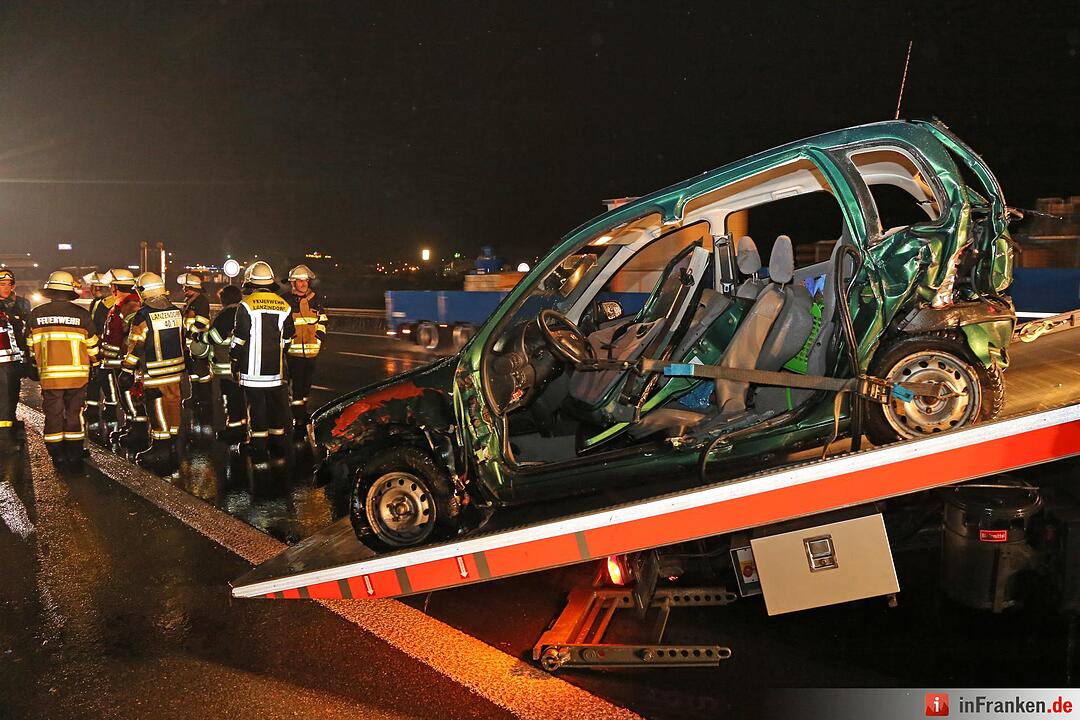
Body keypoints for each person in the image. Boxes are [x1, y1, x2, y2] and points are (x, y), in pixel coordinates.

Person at [26, 271, 99, 464]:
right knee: (74, 413)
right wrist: (97, 364)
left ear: (50, 291)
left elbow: (30, 345)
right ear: (69, 293)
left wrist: (34, 366)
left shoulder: (37, 314)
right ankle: (74, 453)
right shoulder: (81, 315)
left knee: (53, 414)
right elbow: (92, 345)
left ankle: (57, 454)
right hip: (77, 376)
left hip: (51, 376)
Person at [118, 272, 185, 463]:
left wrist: (126, 370)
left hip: (154, 372)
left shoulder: (142, 316)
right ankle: (172, 441)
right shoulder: (176, 311)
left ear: (143, 292)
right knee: (173, 403)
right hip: (175, 369)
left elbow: (136, 346)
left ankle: (160, 448)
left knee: (157, 408)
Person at [231, 261, 294, 463]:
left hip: (253, 371)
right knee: (276, 406)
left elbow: (239, 337)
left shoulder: (246, 305)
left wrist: (233, 356)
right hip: (276, 371)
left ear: (251, 283)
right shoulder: (284, 305)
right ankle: (278, 445)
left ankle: (258, 447)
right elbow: (288, 338)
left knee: (256, 407)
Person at [101, 269, 146, 448]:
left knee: (131, 394)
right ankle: (130, 423)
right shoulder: (120, 304)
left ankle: (139, 428)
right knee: (124, 394)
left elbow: (134, 336)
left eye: (111, 285)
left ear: (116, 286)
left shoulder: (132, 305)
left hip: (127, 361)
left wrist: (127, 360)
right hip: (118, 359)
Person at [284, 264, 328, 434]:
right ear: (293, 283)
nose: (303, 284)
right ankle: (298, 417)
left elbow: (323, 320)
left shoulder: (315, 300)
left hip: (312, 351)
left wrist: (319, 338)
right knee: (296, 385)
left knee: (306, 384)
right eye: (299, 281)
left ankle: (303, 411)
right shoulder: (286, 300)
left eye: (305, 281)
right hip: (293, 352)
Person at [205, 284, 246, 442]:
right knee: (241, 397)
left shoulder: (226, 315)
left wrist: (200, 338)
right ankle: (242, 426)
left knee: (231, 397)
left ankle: (234, 429)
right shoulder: (243, 311)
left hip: (226, 364)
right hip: (242, 364)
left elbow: (215, 337)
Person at [0, 269, 29, 451]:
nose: (5, 288)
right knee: (3, 398)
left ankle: (11, 420)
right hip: (1, 362)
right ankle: (4, 439)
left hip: (14, 360)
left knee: (13, 393)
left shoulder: (19, 305)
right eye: (1, 284)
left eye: (8, 285)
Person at [178, 272, 212, 421]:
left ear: (193, 288)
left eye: (186, 288)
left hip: (199, 343)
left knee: (201, 372)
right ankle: (195, 396)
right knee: (193, 372)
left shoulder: (201, 301)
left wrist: (190, 334)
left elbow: (201, 323)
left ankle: (205, 399)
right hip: (191, 344)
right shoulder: (190, 302)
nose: (184, 291)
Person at [84, 272, 113, 426]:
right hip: (96, 344)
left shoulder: (108, 303)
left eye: (92, 286)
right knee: (94, 378)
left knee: (107, 378)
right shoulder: (96, 302)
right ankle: (93, 408)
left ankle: (111, 409)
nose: (90, 289)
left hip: (104, 345)